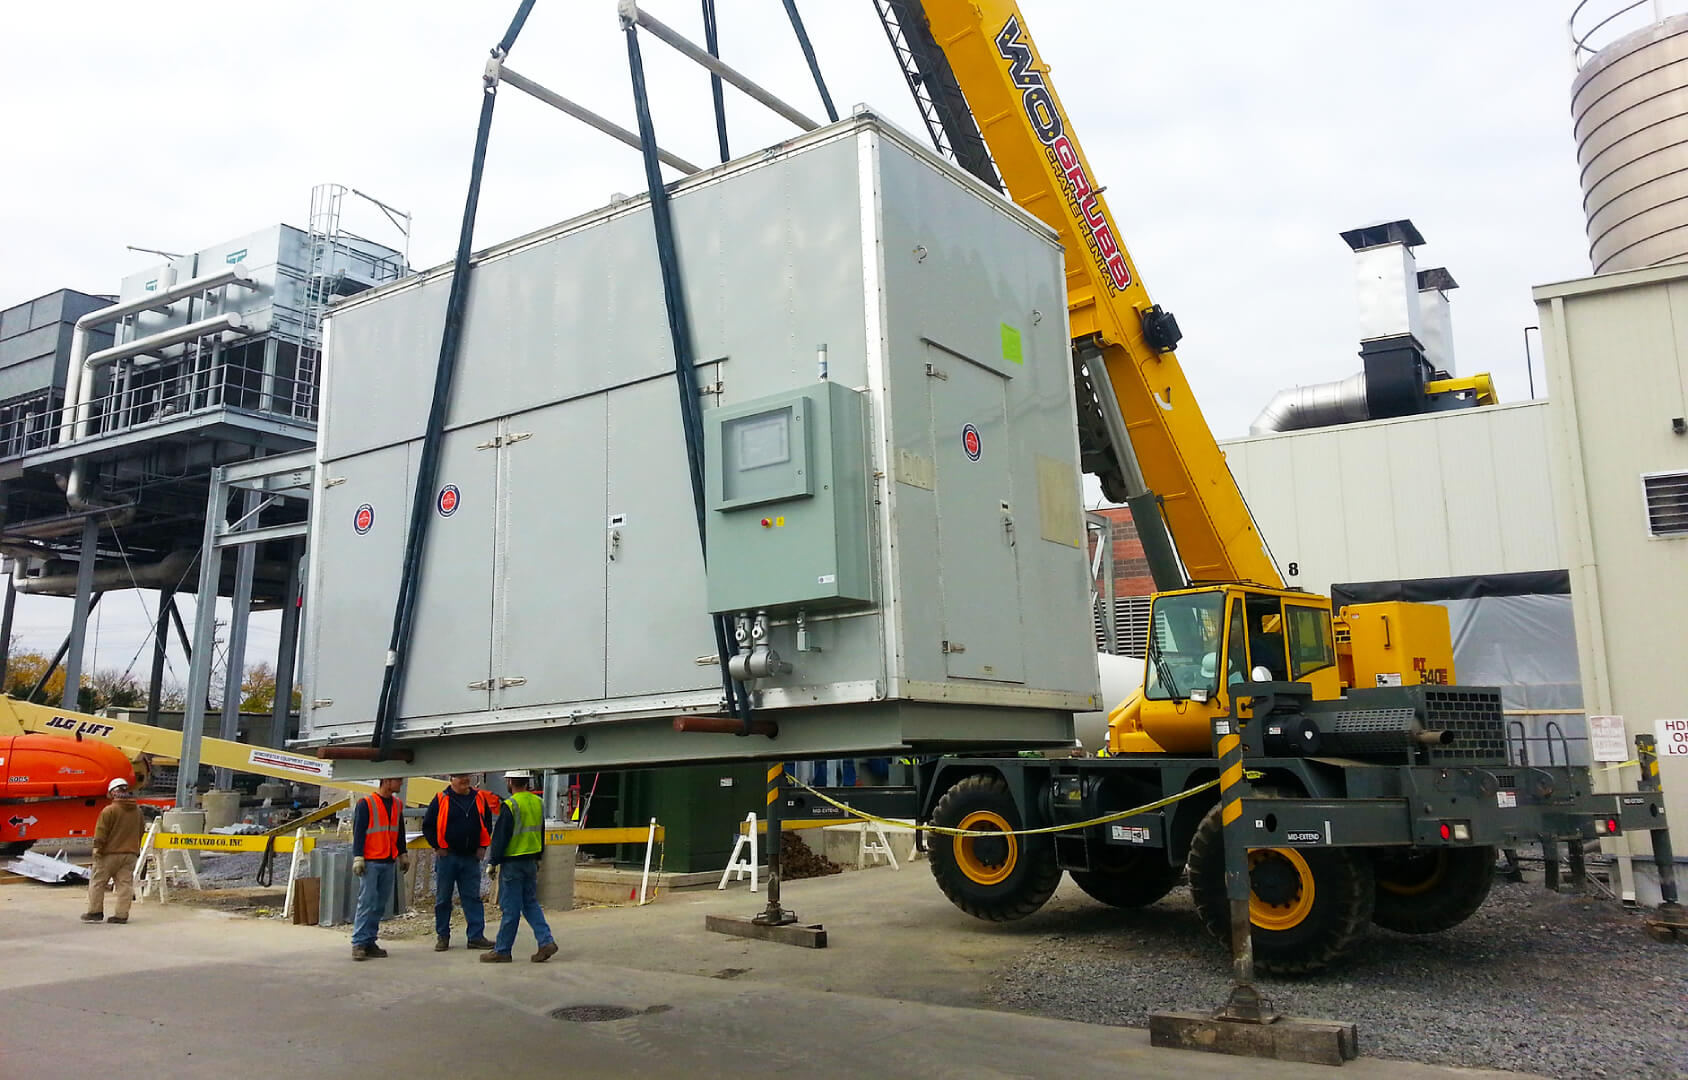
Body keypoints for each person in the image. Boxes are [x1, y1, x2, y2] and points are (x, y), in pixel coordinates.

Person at [481, 769, 557, 964]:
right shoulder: (538, 803)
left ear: (510, 782)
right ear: (527, 782)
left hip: (513, 863)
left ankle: (502, 950)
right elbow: (541, 832)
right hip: (531, 862)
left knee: (511, 909)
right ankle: (546, 941)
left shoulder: (510, 805)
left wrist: (492, 862)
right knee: (530, 903)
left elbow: (501, 837)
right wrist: (539, 857)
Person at [421, 773, 497, 951]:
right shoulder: (441, 799)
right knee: (443, 899)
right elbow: (428, 826)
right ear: (451, 779)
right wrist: (437, 846)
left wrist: (483, 846)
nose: (465, 780)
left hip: (470, 858)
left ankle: (476, 937)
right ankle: (443, 936)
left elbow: (486, 823)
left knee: (472, 898)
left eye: (466, 776)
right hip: (448, 857)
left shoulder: (478, 798)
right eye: (460, 776)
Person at [350, 777, 410, 961]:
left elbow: (399, 831)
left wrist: (403, 853)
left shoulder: (397, 804)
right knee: (367, 903)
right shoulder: (366, 804)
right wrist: (358, 856)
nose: (401, 784)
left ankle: (369, 941)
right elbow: (358, 831)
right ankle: (359, 942)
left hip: (387, 860)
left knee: (379, 905)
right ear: (387, 781)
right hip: (371, 861)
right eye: (398, 780)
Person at [84, 777, 142, 924]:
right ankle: (121, 915)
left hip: (109, 854)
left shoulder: (109, 810)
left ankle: (95, 912)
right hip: (130, 854)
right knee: (125, 885)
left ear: (113, 792)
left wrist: (97, 849)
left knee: (98, 882)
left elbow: (101, 832)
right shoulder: (138, 811)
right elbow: (141, 831)